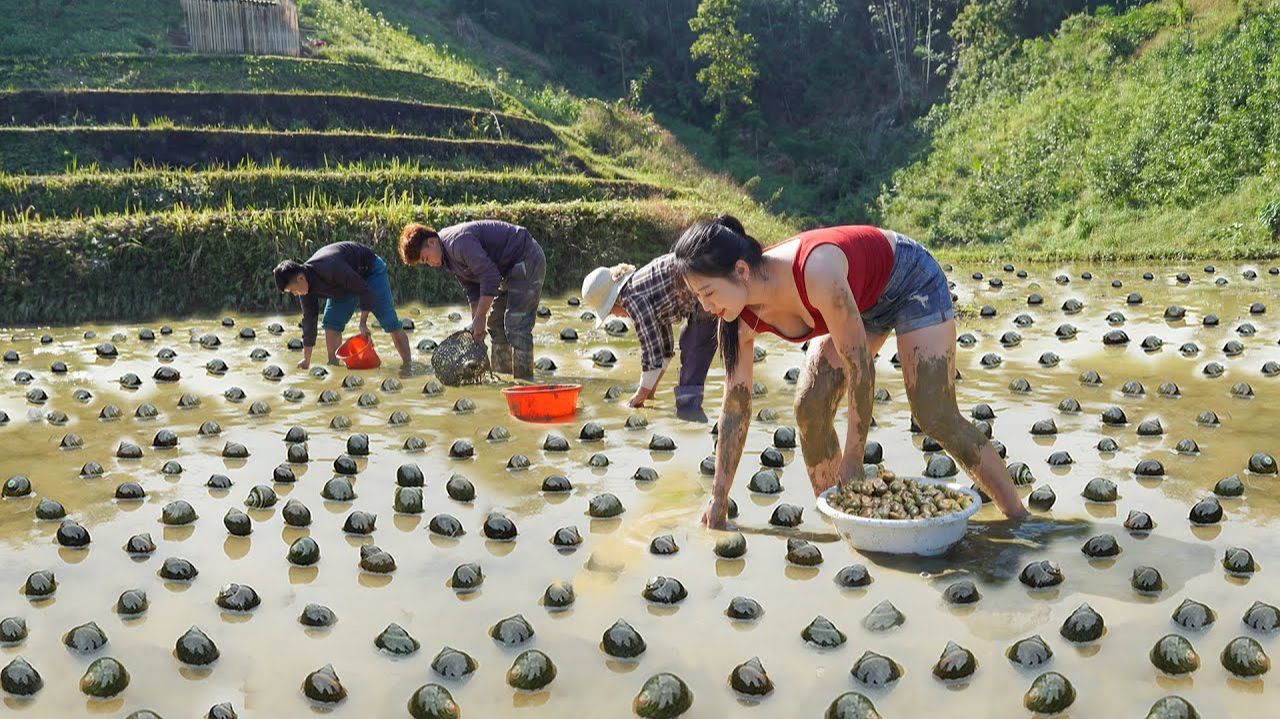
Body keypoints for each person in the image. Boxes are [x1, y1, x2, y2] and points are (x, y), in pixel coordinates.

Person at [672, 216, 1029, 528]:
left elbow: (861, 368)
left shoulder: (815, 271)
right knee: (810, 406)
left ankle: (1019, 518)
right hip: (857, 303)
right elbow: (735, 410)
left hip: (908, 280)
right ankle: (841, 520)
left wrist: (854, 458)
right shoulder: (734, 321)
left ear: (741, 271)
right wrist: (719, 499)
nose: (705, 307)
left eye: (708, 292)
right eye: (697, 296)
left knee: (934, 414)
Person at [398, 220, 545, 380]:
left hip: (526, 257)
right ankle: (503, 378)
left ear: (432, 242)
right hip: (507, 270)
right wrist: (477, 324)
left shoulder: (458, 243)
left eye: (426, 258)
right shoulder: (446, 258)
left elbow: (490, 277)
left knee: (516, 325)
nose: (430, 264)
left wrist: (481, 317)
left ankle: (524, 383)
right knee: (495, 324)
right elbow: (472, 290)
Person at [581, 255, 718, 420]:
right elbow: (664, 349)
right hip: (702, 285)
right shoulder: (637, 290)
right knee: (686, 340)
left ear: (614, 302)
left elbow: (651, 350)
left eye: (610, 312)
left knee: (692, 348)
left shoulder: (632, 299)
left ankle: (690, 415)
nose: (616, 316)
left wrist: (640, 394)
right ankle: (689, 410)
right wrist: (650, 391)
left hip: (705, 290)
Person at [273, 241, 412, 371]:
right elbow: (309, 320)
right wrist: (306, 360)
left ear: (300, 278)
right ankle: (334, 365)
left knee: (389, 322)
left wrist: (362, 323)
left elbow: (364, 289)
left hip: (370, 271)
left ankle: (408, 365)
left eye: (293, 290)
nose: (295, 294)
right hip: (343, 286)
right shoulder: (304, 289)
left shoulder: (330, 267)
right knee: (331, 323)